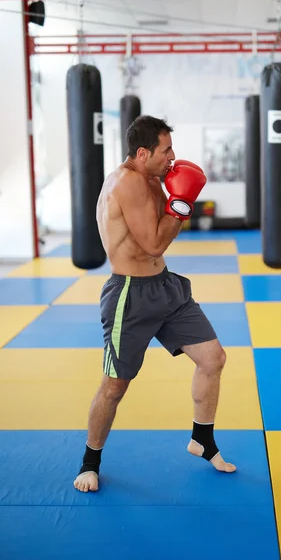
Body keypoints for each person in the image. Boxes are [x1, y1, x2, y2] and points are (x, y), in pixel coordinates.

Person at [73, 115, 236, 493]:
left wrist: (175, 202)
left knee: (213, 358)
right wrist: (180, 205)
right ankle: (89, 463)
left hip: (165, 287)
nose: (173, 157)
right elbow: (155, 243)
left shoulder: (150, 178)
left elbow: (162, 235)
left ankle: (203, 439)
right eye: (166, 150)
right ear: (143, 152)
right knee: (114, 387)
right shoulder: (127, 182)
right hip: (130, 295)